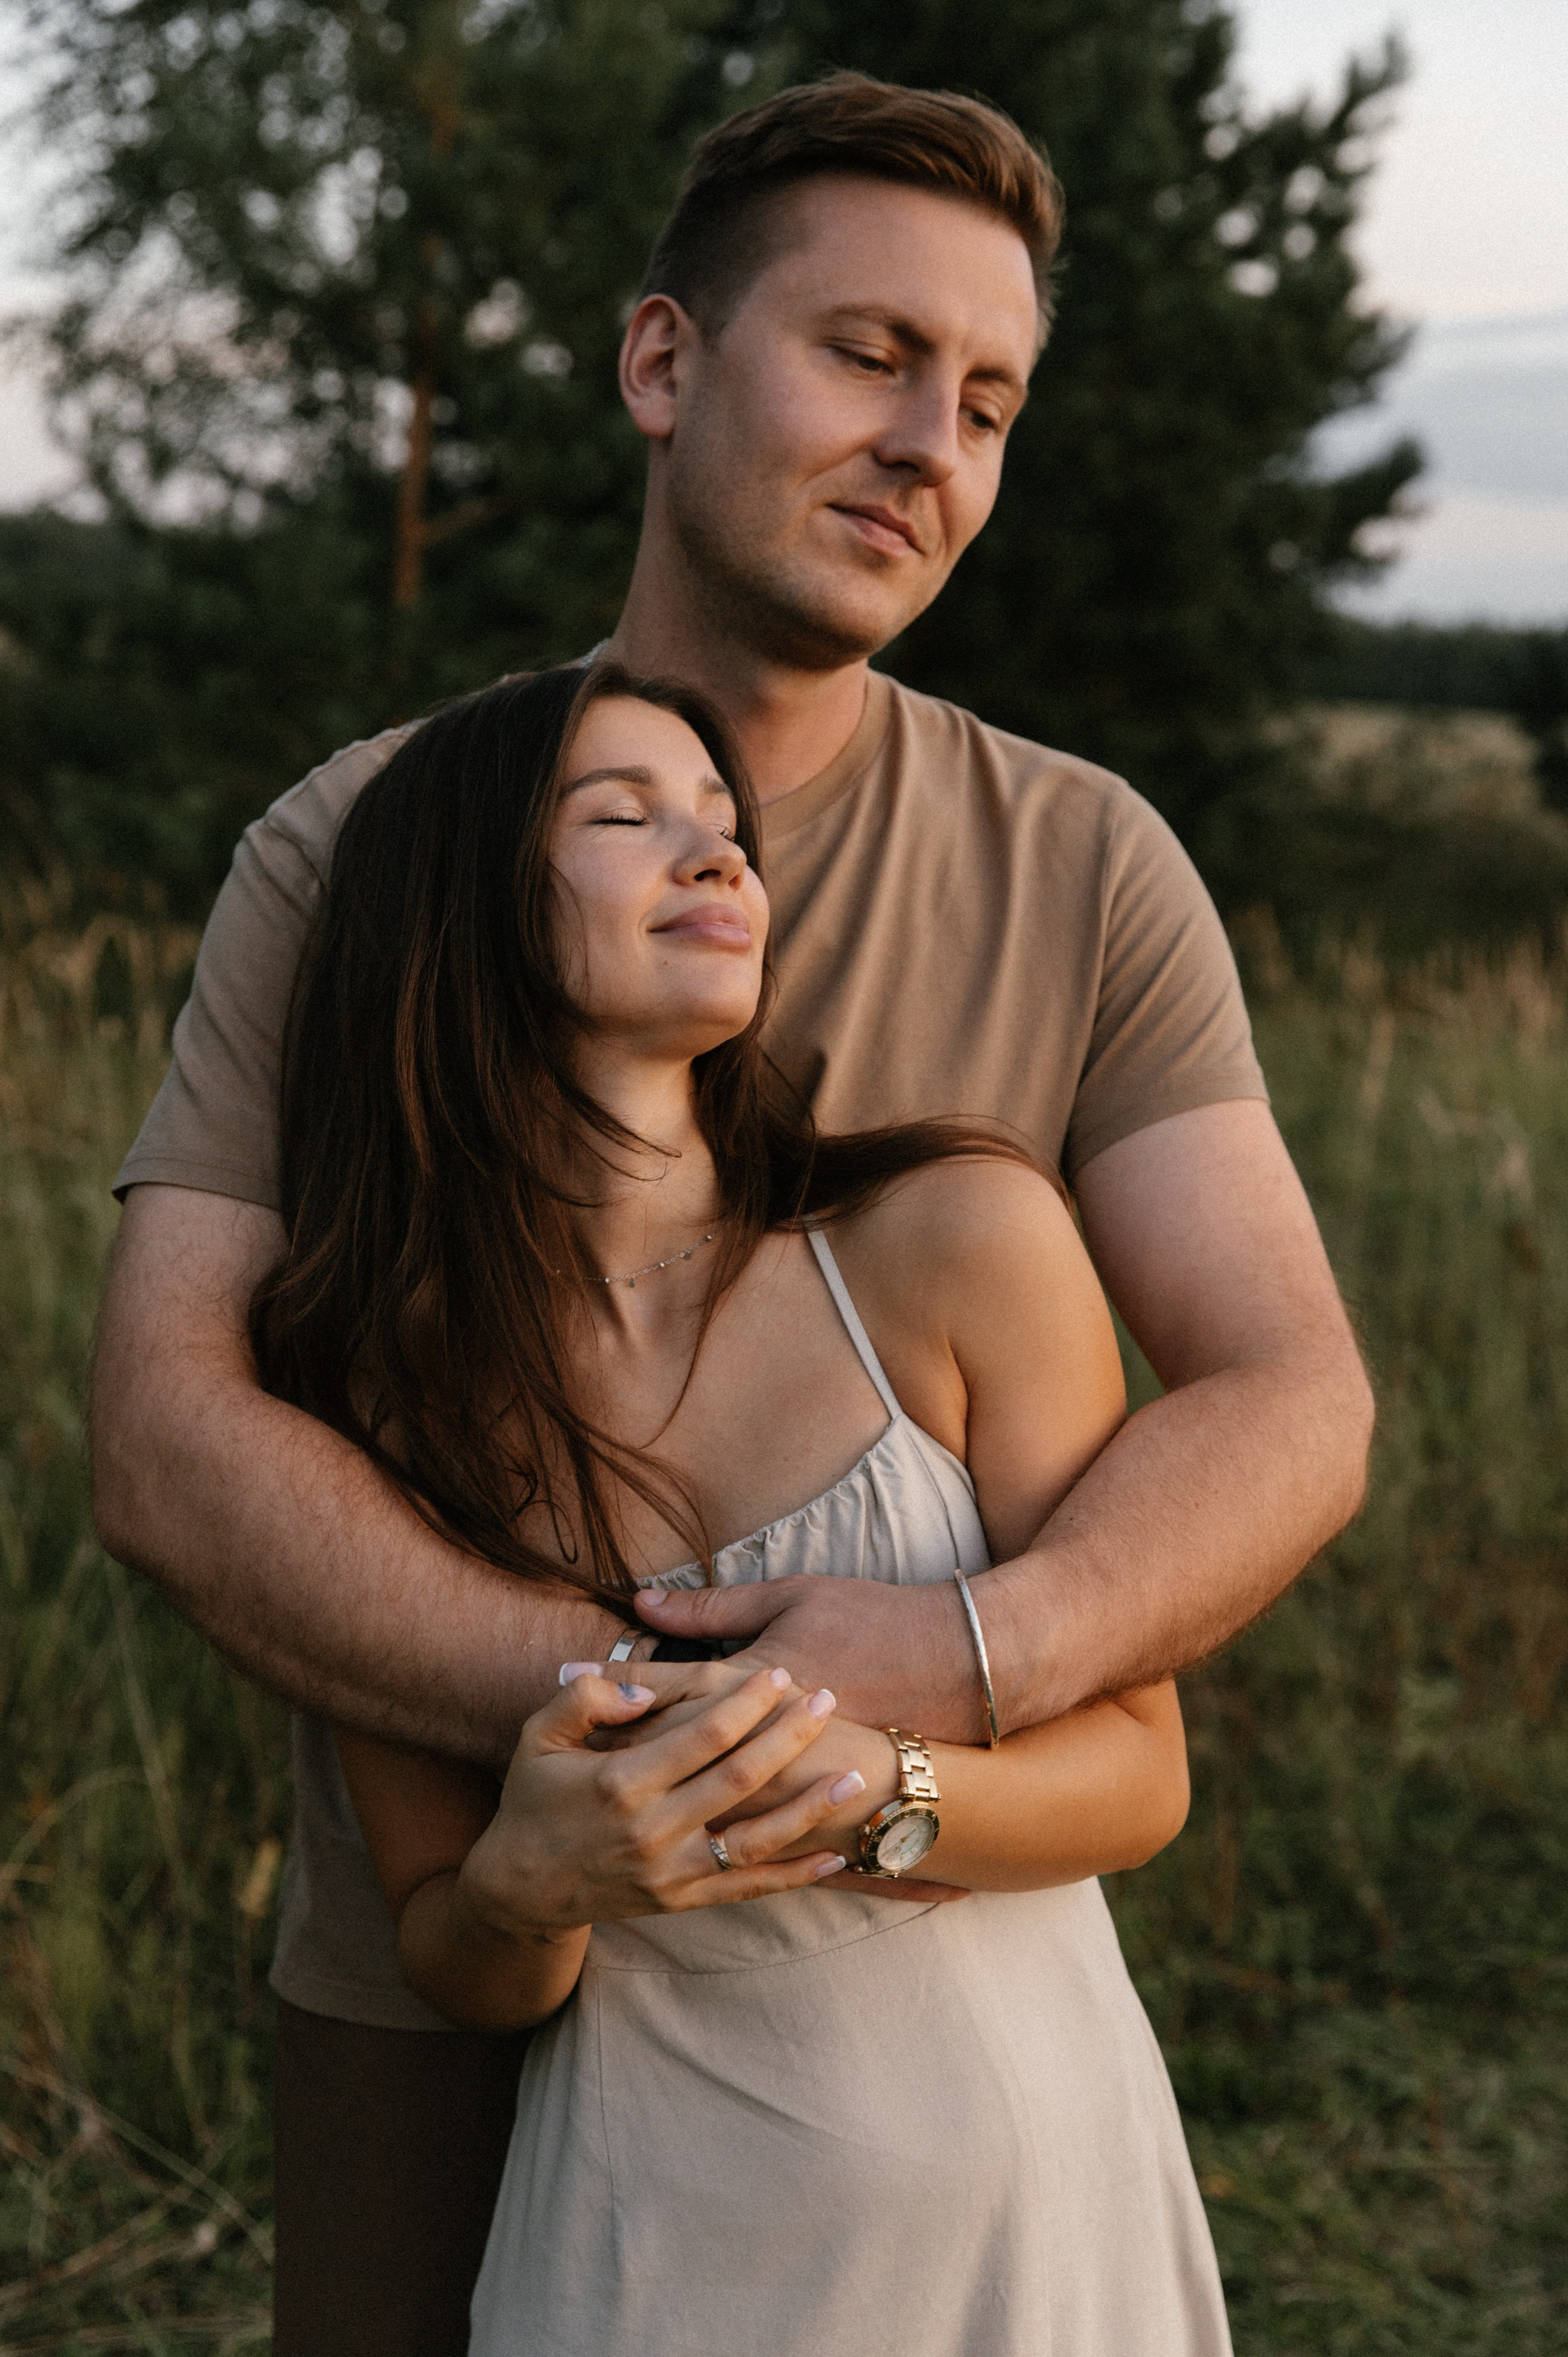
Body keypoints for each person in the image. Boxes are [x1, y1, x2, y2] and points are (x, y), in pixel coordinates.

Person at [90, 71, 1372, 2357]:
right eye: (870, 354)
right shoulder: (363, 852)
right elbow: (174, 1436)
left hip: (915, 2018)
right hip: (452, 1979)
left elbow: (1289, 1396)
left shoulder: (1084, 866)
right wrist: (622, 1736)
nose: (933, 449)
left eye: (988, 400)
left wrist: (964, 1665)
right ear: (663, 362)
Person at [262, 653, 1230, 2354]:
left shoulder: (954, 1242)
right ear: (455, 911)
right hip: (650, 2246)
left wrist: (876, 1794)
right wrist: (526, 1886)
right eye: (622, 816)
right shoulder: (379, 1395)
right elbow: (455, 1952)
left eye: (723, 825)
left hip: (1033, 2211)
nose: (715, 858)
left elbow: (1141, 1776)